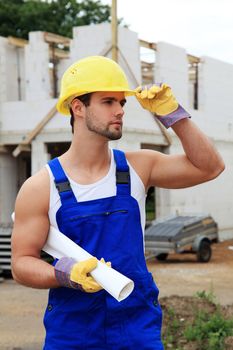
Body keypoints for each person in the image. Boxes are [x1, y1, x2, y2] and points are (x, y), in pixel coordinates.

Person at [11, 56, 224, 349]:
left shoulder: (139, 167)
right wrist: (65, 274)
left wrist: (173, 114)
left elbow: (210, 167)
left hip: (136, 324)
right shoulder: (41, 186)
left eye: (121, 102)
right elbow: (21, 264)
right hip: (73, 332)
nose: (120, 110)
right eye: (108, 101)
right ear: (78, 107)